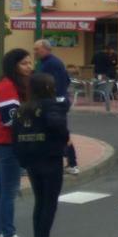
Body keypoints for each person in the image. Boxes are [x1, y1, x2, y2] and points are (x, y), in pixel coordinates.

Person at [0, 48, 35, 237]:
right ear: (13, 65)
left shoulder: (9, 85)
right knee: (9, 191)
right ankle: (9, 236)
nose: (29, 67)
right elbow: (10, 119)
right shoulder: (7, 87)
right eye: (24, 63)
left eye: (30, 62)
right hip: (5, 144)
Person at [14, 73, 68, 237]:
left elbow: (15, 134)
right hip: (50, 158)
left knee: (40, 201)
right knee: (49, 203)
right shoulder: (51, 106)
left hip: (31, 160)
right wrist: (64, 142)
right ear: (48, 88)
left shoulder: (23, 108)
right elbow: (59, 127)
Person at [33, 40, 79, 175]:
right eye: (34, 49)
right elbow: (67, 80)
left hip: (55, 103)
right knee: (56, 132)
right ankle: (67, 162)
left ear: (46, 49)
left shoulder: (51, 64)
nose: (35, 52)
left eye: (37, 49)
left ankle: (72, 163)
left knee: (60, 132)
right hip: (57, 101)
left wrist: (53, 101)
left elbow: (56, 85)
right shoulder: (49, 62)